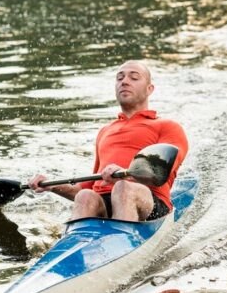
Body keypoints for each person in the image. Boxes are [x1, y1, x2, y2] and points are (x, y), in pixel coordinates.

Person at [28, 61, 188, 222]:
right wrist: (52, 185)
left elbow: (162, 172)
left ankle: (123, 241)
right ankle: (76, 242)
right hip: (105, 201)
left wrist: (125, 176)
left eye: (134, 77)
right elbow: (85, 187)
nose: (124, 81)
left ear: (149, 89)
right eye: (119, 78)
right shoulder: (105, 131)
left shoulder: (168, 126)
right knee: (85, 196)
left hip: (149, 203)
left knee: (123, 188)